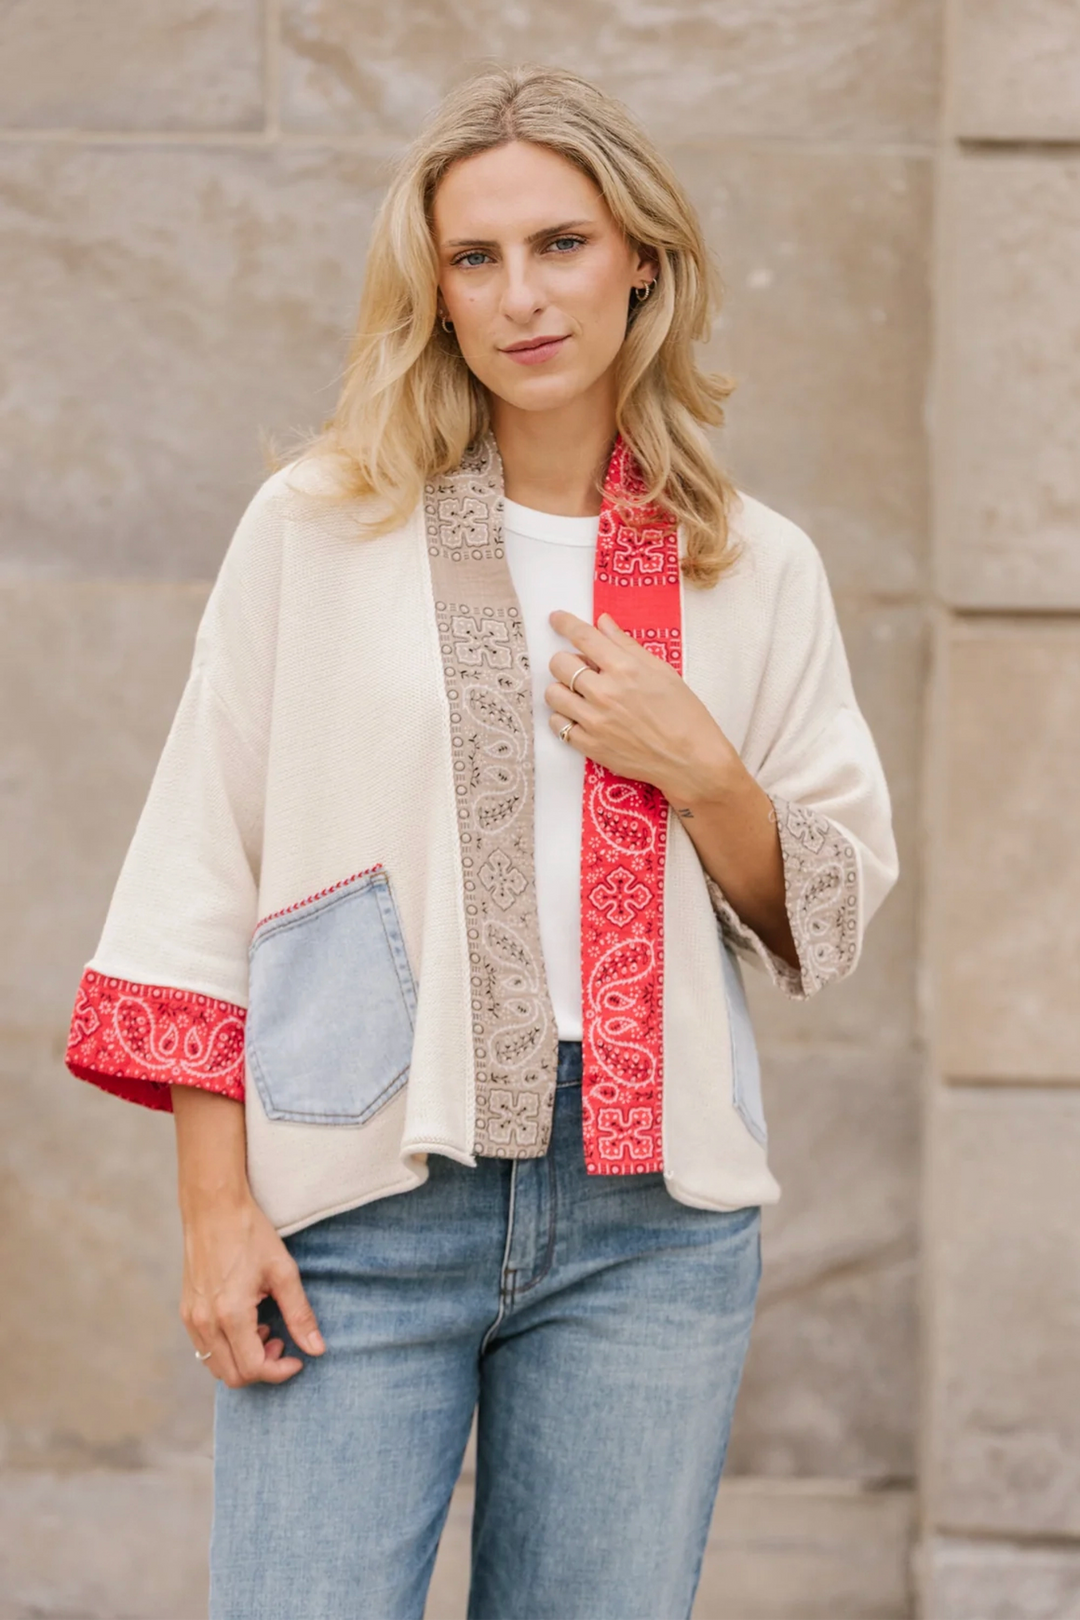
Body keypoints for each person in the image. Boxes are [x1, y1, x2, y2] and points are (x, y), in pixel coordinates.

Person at [64, 63, 898, 1620]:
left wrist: (703, 766)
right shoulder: (321, 525)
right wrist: (214, 1209)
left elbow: (827, 907)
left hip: (651, 1227)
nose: (523, 295)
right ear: (432, 287)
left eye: (562, 244)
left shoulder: (753, 566)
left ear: (641, 257)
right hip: (363, 1197)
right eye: (476, 257)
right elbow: (199, 865)